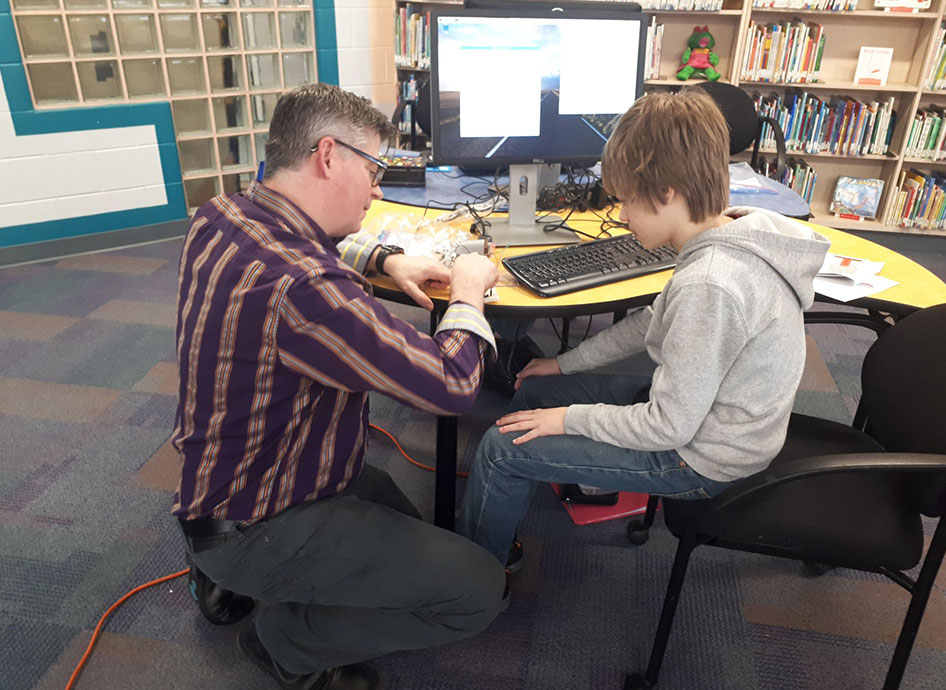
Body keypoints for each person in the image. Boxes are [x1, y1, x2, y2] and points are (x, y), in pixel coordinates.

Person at [171, 83, 506, 690]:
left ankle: (221, 571)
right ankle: (281, 642)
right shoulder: (306, 289)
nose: (379, 188)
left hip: (226, 479)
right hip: (262, 516)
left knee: (403, 523)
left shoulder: (220, 214)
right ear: (328, 156)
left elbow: (305, 242)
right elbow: (454, 386)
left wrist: (381, 258)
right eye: (375, 168)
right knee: (477, 591)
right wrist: (467, 290)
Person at [457, 89, 831, 565]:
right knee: (533, 393)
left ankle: (477, 577)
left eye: (625, 201)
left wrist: (568, 419)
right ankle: (512, 504)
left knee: (500, 449)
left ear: (667, 193)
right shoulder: (733, 232)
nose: (619, 214)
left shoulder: (712, 282)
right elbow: (653, 321)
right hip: (701, 416)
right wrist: (561, 363)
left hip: (702, 457)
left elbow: (667, 426)